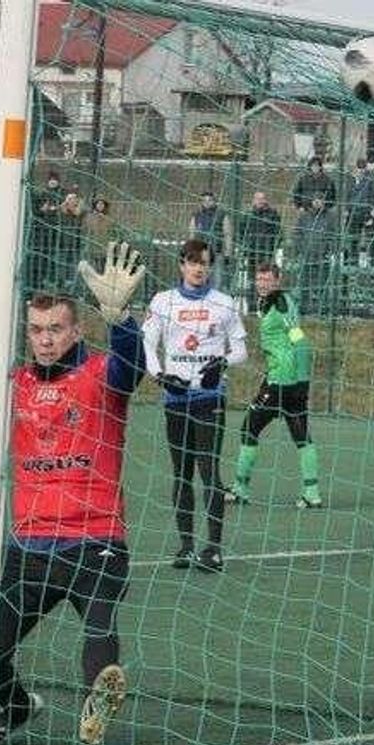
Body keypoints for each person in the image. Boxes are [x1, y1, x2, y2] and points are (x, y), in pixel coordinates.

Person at [0, 241, 147, 745]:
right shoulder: (12, 384)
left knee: (99, 625)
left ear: (76, 330)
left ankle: (94, 705)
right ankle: (14, 704)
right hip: (32, 547)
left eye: (55, 329)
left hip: (96, 540)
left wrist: (121, 318)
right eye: (36, 330)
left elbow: (132, 367)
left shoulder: (100, 375)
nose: (45, 339)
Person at [143, 239, 248, 571]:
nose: (199, 268)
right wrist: (161, 375)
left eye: (204, 263)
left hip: (209, 399)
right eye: (192, 262)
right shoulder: (163, 301)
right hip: (175, 398)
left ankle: (213, 549)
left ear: (211, 266)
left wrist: (222, 363)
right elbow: (148, 344)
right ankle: (186, 546)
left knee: (209, 472)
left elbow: (242, 350)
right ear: (181, 264)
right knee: (181, 474)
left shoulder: (224, 303)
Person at [226, 262, 323, 509]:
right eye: (259, 279)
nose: (262, 284)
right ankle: (312, 493)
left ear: (278, 281)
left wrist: (302, 380)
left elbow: (300, 341)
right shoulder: (270, 302)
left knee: (249, 427)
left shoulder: (281, 302)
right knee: (301, 434)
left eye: (267, 280)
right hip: (288, 378)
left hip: (283, 379)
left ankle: (240, 489)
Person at [291, 192, 338, 316]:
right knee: (305, 283)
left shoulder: (330, 217)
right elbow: (297, 234)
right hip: (307, 256)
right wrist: (301, 249)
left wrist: (329, 249)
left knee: (323, 284)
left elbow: (335, 235)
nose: (318, 202)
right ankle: (304, 309)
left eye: (321, 200)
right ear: (312, 201)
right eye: (316, 200)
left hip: (323, 257)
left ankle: (323, 310)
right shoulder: (304, 217)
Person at [237, 191, 282, 306]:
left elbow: (278, 233)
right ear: (254, 200)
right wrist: (245, 246)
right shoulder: (247, 215)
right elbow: (241, 233)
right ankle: (252, 304)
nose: (260, 201)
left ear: (266, 200)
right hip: (252, 253)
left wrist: (273, 247)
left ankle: (267, 303)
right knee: (253, 279)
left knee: (267, 278)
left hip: (266, 252)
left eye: (262, 198)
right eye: (258, 199)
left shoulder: (273, 215)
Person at [189, 191, 233, 290]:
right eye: (204, 200)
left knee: (217, 281)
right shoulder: (196, 215)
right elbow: (192, 234)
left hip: (216, 251)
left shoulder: (222, 214)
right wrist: (191, 251)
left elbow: (228, 234)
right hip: (201, 254)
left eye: (210, 200)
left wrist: (227, 253)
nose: (207, 202)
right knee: (201, 279)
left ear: (214, 201)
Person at [345, 157, 374, 266]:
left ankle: (372, 263)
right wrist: (346, 210)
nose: (361, 171)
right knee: (353, 239)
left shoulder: (371, 180)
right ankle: (353, 262)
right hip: (353, 214)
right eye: (359, 168)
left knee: (370, 239)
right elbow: (347, 197)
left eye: (363, 168)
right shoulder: (350, 180)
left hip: (367, 214)